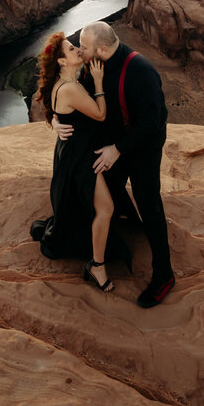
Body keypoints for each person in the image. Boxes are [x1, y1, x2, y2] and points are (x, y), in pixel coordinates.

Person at [56, 21, 174, 308]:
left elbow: (153, 123)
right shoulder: (92, 64)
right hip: (112, 142)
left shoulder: (141, 71)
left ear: (103, 48)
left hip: (142, 147)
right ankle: (119, 231)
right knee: (100, 190)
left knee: (150, 204)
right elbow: (65, 94)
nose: (80, 50)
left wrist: (118, 150)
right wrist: (56, 121)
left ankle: (165, 276)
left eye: (83, 47)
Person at [34, 31, 127, 292]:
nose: (77, 49)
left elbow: (58, 111)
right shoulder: (72, 88)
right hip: (79, 158)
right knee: (105, 208)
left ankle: (95, 255)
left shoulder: (63, 82)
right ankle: (97, 265)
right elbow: (99, 114)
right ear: (62, 62)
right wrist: (98, 82)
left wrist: (55, 121)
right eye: (71, 49)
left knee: (89, 207)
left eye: (76, 46)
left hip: (70, 152)